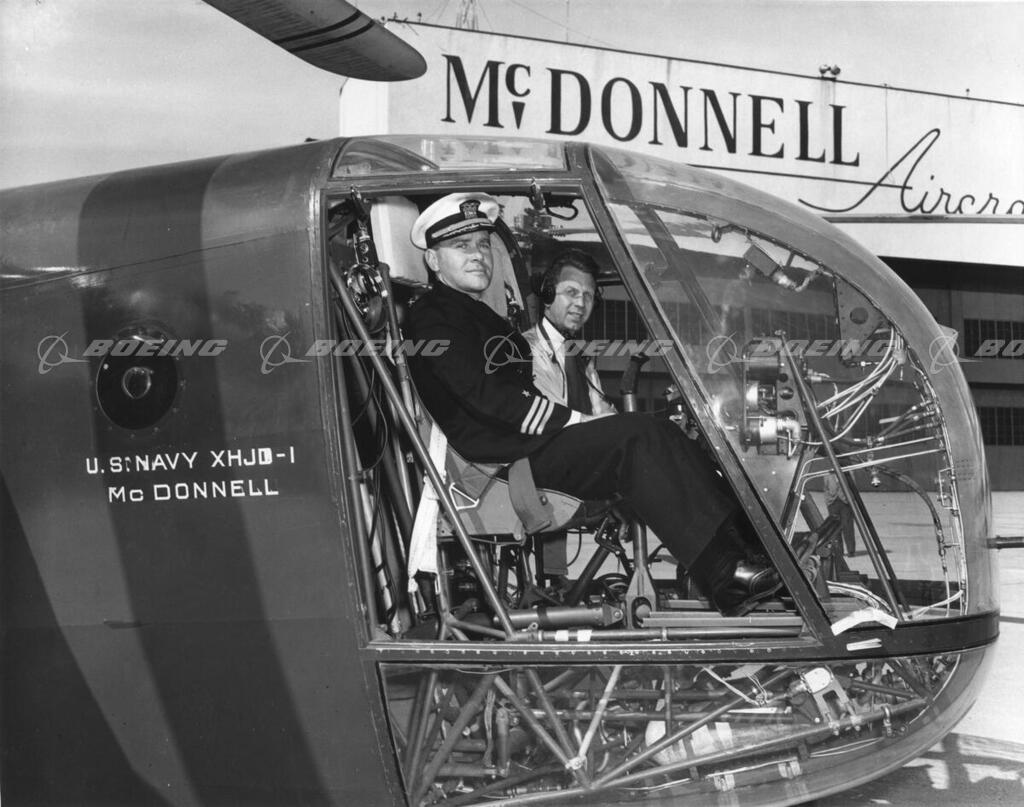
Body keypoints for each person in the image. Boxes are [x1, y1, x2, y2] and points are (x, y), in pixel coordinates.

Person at [405, 192, 780, 616]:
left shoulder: (472, 314)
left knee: (658, 430)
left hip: (520, 448)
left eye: (482, 244)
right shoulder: (432, 316)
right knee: (638, 437)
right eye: (461, 246)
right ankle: (725, 576)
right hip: (501, 464)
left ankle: (754, 555)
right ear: (433, 261)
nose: (477, 255)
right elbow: (487, 397)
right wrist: (572, 421)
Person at [522, 249, 614, 582]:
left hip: (576, 461)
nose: (580, 303)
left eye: (588, 296)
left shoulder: (581, 357)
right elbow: (551, 420)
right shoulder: (525, 350)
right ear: (547, 294)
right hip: (541, 466)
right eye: (571, 292)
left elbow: (602, 412)